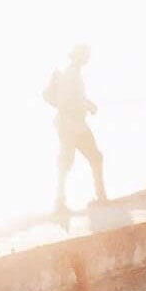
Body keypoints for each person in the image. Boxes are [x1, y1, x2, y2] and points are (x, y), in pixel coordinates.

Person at [43, 44, 108, 212]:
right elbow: (65, 103)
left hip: (74, 126)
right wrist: (85, 106)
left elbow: (72, 98)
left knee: (72, 162)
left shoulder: (73, 74)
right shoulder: (71, 75)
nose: (88, 58)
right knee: (74, 161)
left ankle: (63, 201)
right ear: (79, 56)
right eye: (86, 54)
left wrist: (87, 104)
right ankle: (96, 198)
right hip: (71, 126)